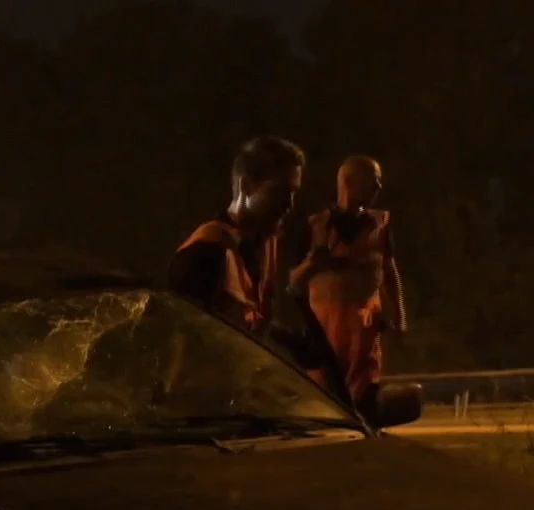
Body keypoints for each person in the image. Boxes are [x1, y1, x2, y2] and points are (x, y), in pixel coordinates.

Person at [289, 155, 407, 416]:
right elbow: (293, 283)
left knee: (365, 411)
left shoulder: (379, 226)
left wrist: (399, 315)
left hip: (364, 345)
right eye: (372, 181)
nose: (378, 187)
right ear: (347, 182)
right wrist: (311, 264)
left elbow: (390, 271)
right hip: (324, 344)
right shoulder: (316, 227)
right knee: (323, 410)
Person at [166, 135, 307, 333]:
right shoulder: (206, 251)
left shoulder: (265, 246)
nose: (289, 204)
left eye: (293, 193)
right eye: (280, 192)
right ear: (246, 186)